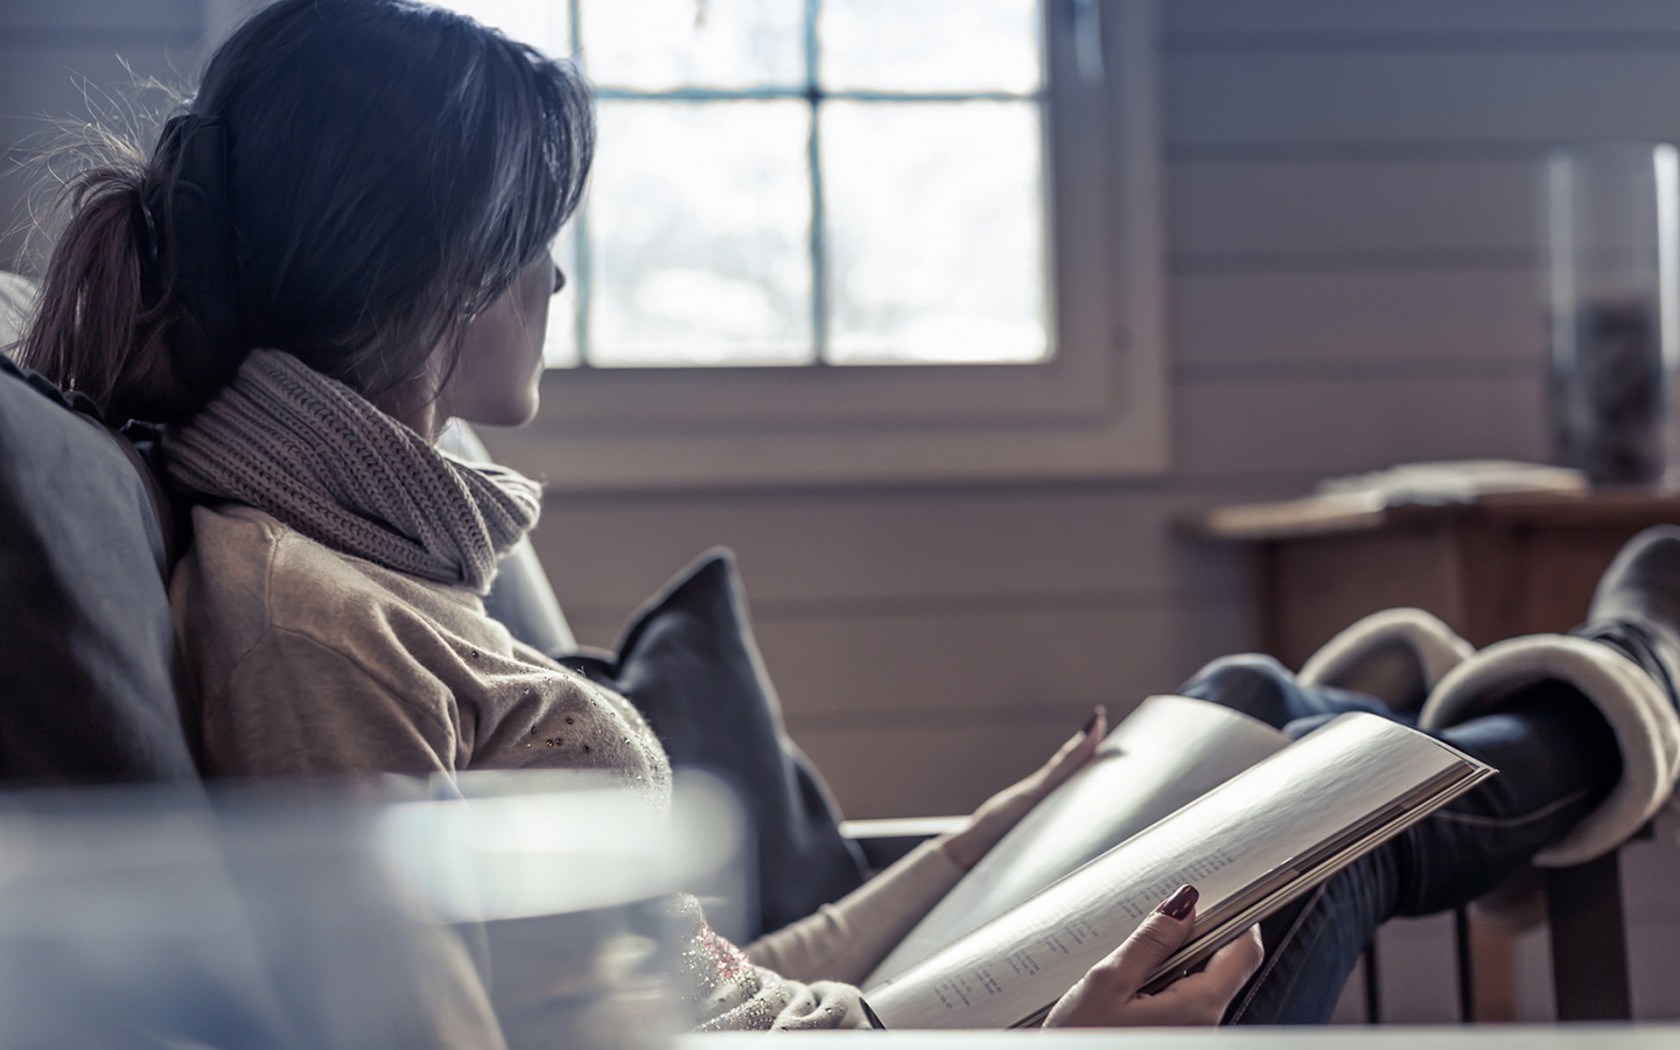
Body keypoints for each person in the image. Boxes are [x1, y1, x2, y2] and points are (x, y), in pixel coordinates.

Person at [12, 0, 1677, 1034]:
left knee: (1240, 715)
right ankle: (1604, 693)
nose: (558, 279)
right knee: (1333, 831)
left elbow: (694, 977)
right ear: (418, 270)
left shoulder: (385, 553)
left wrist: (986, 836)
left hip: (857, 1019)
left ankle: (1451, 706)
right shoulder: (312, 618)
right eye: (525, 243)